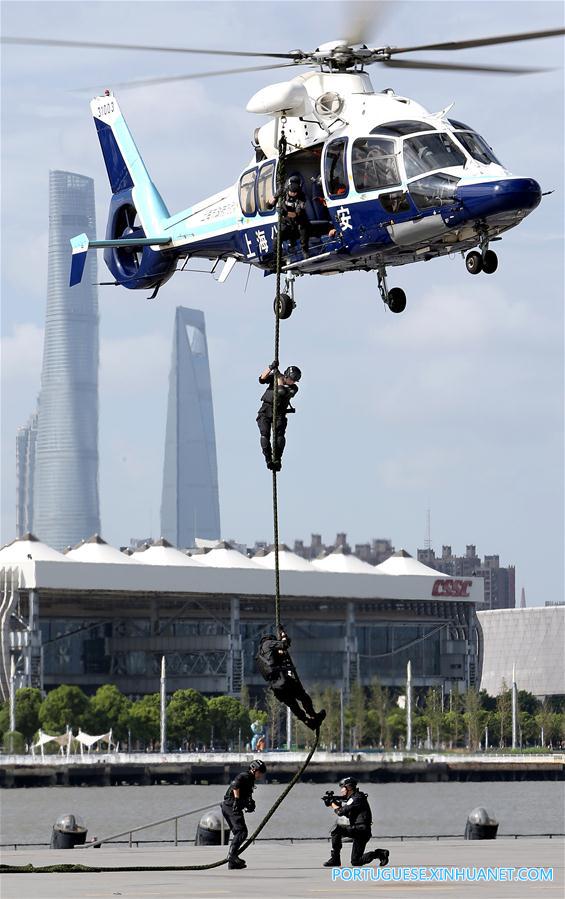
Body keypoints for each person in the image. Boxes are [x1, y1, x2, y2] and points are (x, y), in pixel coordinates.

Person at [256, 627, 326, 731]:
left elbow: (276, 659)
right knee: (303, 696)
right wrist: (283, 634)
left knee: (293, 705)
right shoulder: (268, 643)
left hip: (276, 688)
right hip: (284, 681)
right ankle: (313, 716)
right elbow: (285, 644)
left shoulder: (259, 656)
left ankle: (308, 722)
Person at [323, 776, 389, 869]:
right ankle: (380, 854)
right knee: (356, 861)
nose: (341, 790)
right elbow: (347, 814)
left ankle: (335, 859)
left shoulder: (356, 798)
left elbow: (340, 812)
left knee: (336, 830)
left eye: (342, 787)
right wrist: (336, 804)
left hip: (360, 830)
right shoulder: (356, 798)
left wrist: (332, 804)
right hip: (361, 831)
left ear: (348, 787)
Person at [221, 759, 266, 869]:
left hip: (230, 806)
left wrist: (249, 804)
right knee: (241, 832)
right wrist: (236, 800)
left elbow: (245, 793)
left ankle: (232, 863)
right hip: (231, 805)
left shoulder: (250, 780)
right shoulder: (245, 776)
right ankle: (232, 856)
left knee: (240, 832)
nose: (261, 775)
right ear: (254, 770)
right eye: (260, 772)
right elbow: (236, 785)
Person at [256, 361, 301, 471]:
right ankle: (268, 460)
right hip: (266, 410)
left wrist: (278, 376)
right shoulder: (275, 377)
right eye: (292, 379)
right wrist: (271, 368)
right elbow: (261, 379)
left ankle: (277, 459)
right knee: (264, 435)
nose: (292, 382)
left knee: (279, 437)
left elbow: (280, 391)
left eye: (294, 380)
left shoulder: (293, 388)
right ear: (287, 375)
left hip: (279, 413)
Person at [267, 173, 311, 256]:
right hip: (286, 223)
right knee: (277, 237)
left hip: (298, 223)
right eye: (291, 192)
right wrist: (273, 199)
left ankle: (305, 250)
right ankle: (277, 256)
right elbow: (269, 206)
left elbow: (296, 214)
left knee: (303, 229)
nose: (292, 194)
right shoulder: (282, 192)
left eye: (294, 193)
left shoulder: (302, 198)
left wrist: (285, 213)